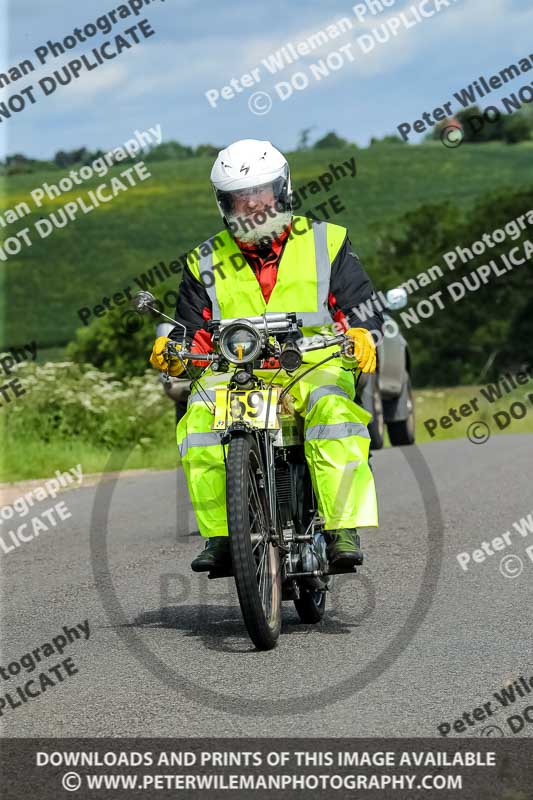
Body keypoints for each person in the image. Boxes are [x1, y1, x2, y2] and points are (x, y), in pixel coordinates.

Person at [150, 139, 384, 573]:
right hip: (237, 370)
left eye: (260, 192)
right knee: (199, 420)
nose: (253, 204)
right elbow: (192, 328)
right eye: (240, 197)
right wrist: (176, 350)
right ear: (224, 203)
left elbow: (361, 304)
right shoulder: (205, 259)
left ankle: (341, 527)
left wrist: (361, 331)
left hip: (313, 363)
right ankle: (224, 536)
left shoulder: (326, 240)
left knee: (332, 411)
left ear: (282, 190)